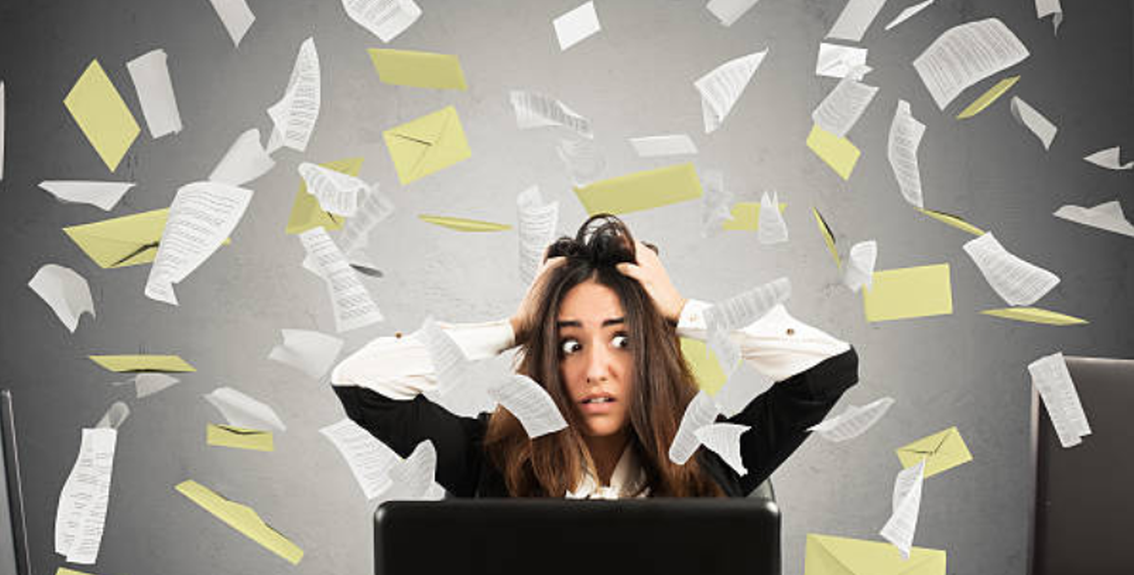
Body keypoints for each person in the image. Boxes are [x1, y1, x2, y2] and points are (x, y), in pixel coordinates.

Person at [331, 214, 858, 498]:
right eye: (569, 344)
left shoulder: (713, 460)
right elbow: (361, 382)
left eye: (622, 340)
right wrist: (516, 326)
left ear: (652, 355)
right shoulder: (488, 459)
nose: (595, 368)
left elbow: (828, 368)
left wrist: (681, 312)